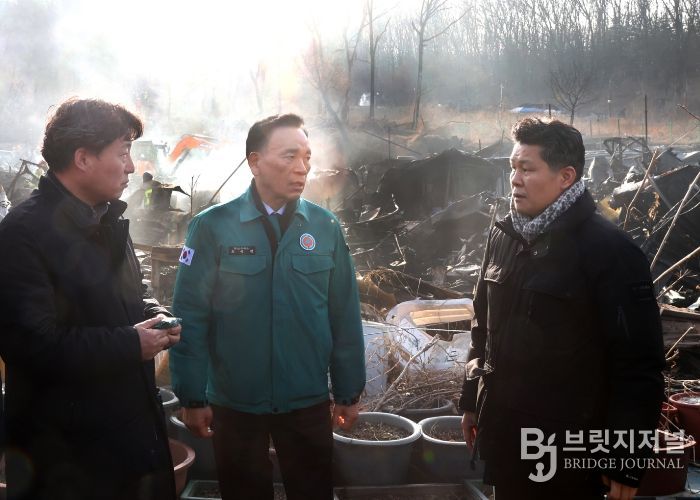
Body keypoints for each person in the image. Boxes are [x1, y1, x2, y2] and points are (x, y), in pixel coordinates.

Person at [459, 118, 665, 500]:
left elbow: (638, 365)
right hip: (506, 442)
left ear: (566, 177)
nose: (515, 180)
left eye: (527, 169)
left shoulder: (610, 252)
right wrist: (471, 399)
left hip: (569, 456)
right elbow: (482, 328)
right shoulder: (504, 236)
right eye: (512, 168)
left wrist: (625, 460)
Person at [170, 113, 366, 500]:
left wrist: (348, 391)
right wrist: (192, 396)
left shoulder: (324, 227)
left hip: (306, 398)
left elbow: (343, 314)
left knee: (313, 491)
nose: (302, 168)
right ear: (255, 162)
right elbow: (190, 315)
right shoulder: (212, 227)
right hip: (236, 400)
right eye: (289, 156)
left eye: (307, 157)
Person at [0, 98, 181, 500]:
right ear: (82, 158)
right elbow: (32, 345)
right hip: (67, 459)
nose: (132, 167)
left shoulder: (107, 219)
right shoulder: (23, 234)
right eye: (123, 152)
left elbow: (130, 292)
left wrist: (154, 314)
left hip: (129, 440)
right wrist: (131, 344)